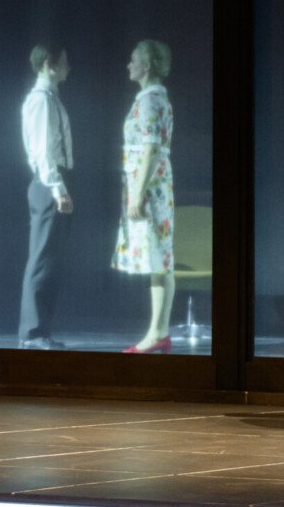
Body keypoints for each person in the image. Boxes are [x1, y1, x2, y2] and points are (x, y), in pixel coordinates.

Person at [112, 40, 176, 354]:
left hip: (150, 184)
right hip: (152, 181)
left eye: (134, 60)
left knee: (159, 259)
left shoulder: (151, 100)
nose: (129, 65)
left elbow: (150, 149)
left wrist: (137, 194)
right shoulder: (151, 98)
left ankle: (157, 333)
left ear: (147, 65)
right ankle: (158, 332)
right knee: (159, 259)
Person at [18, 43, 73, 350]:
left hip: (52, 183)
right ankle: (32, 333)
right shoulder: (41, 101)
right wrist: (58, 188)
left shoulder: (50, 99)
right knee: (42, 259)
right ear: (50, 63)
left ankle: (41, 332)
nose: (69, 68)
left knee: (50, 260)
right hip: (47, 184)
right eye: (65, 62)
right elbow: (42, 152)